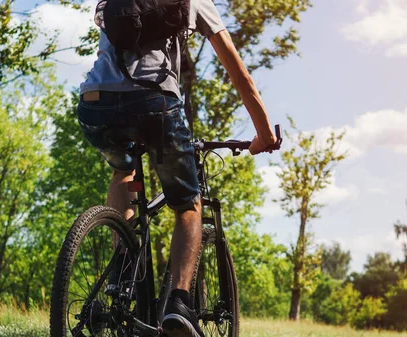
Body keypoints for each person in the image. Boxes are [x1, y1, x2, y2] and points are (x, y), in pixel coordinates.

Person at [76, 0, 277, 336]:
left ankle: (122, 274)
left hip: (95, 103)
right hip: (156, 104)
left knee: (123, 171)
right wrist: (264, 133)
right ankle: (179, 304)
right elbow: (236, 69)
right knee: (187, 205)